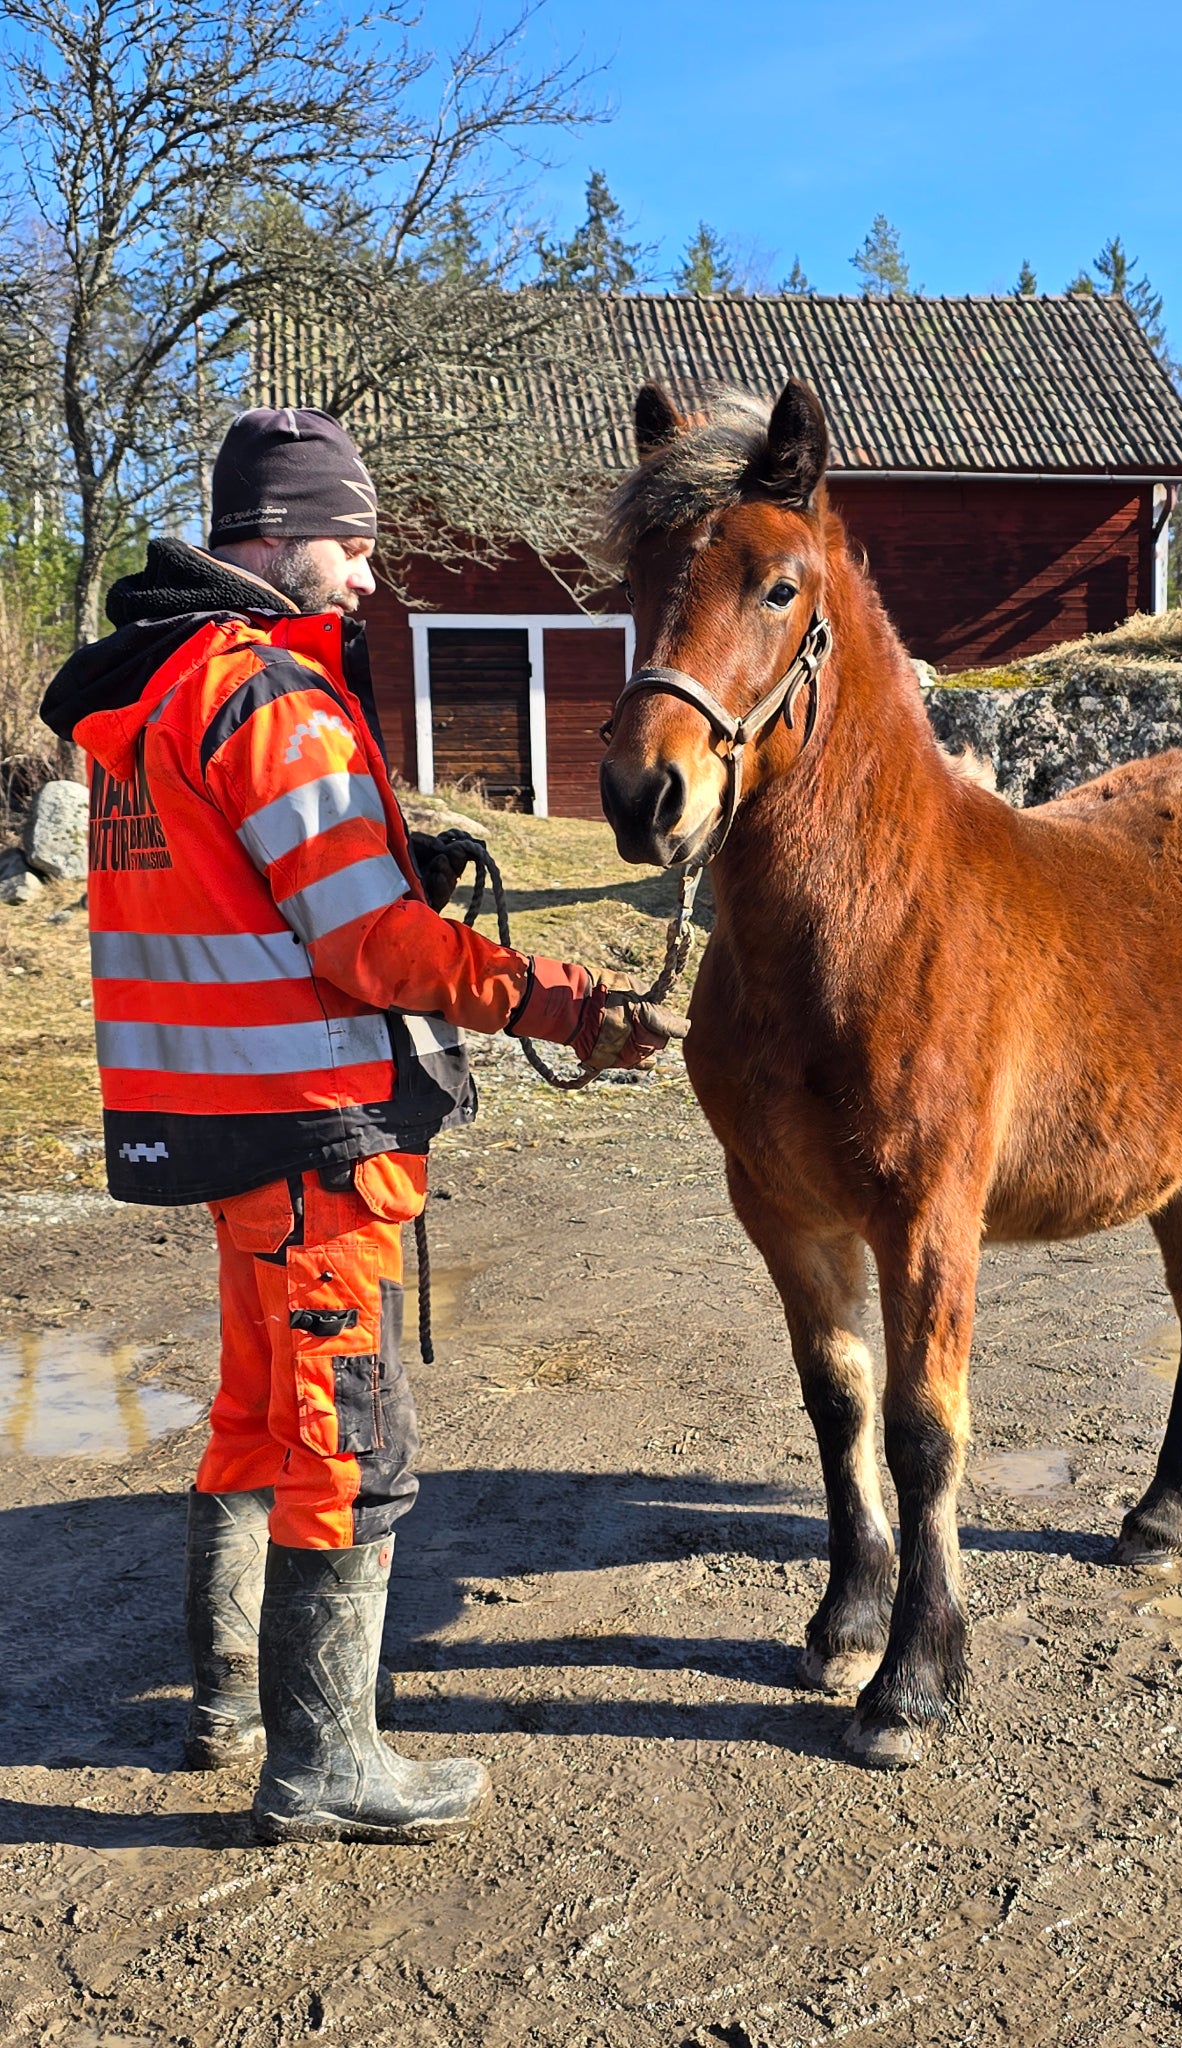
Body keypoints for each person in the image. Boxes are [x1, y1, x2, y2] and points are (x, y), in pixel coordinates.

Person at [39, 407, 685, 1845]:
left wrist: (403, 853)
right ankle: (323, 1760)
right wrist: (566, 1003)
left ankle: (223, 1698)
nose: (369, 569)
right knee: (349, 1437)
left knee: (256, 1411)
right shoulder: (271, 698)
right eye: (352, 537)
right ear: (276, 537)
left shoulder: (152, 700)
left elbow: (245, 885)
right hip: (314, 1126)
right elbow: (374, 953)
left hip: (209, 1113)